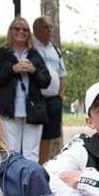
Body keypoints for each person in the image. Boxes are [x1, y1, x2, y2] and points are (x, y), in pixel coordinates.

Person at [0, 16, 52, 162]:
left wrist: (34, 70)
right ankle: (11, 182)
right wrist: (13, 69)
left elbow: (46, 81)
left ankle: (31, 182)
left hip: (33, 110)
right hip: (9, 110)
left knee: (31, 153)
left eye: (25, 29)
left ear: (29, 33)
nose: (21, 32)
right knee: (10, 150)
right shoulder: (2, 53)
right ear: (11, 31)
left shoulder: (35, 54)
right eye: (17, 28)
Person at [32, 15, 67, 163]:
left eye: (50, 27)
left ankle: (42, 165)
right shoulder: (31, 49)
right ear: (36, 30)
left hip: (53, 100)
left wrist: (60, 96)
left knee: (47, 136)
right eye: (45, 27)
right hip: (37, 99)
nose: (49, 30)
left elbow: (62, 74)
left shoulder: (56, 51)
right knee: (33, 135)